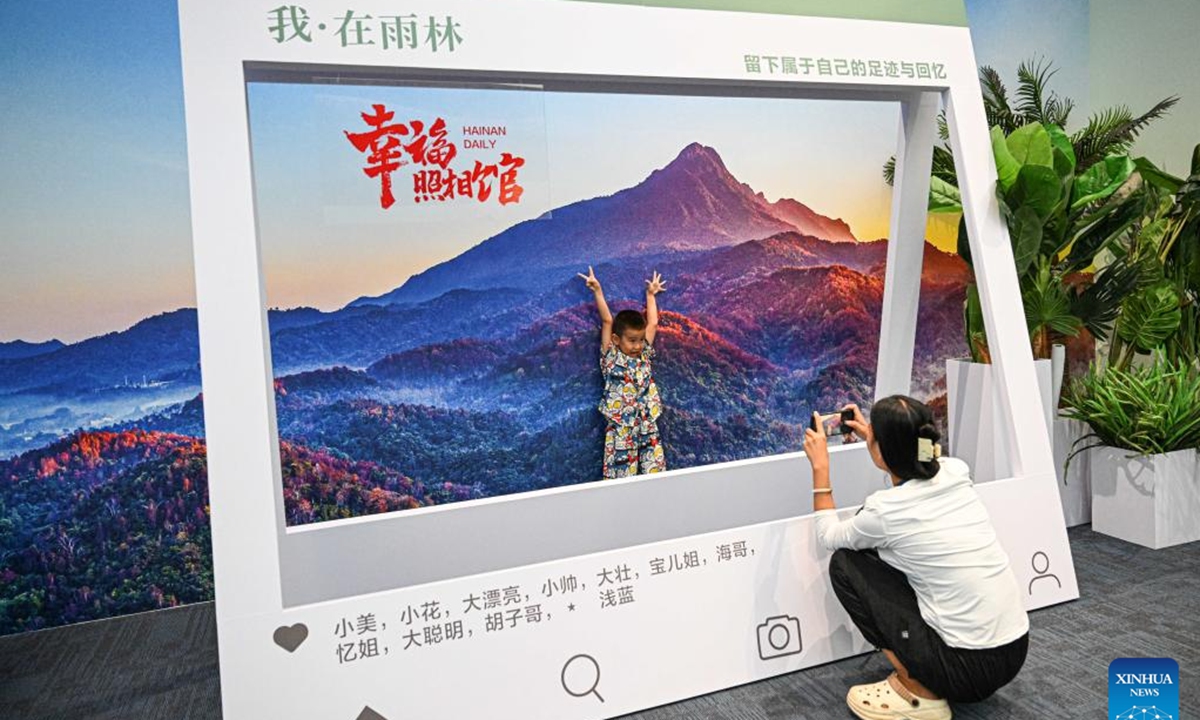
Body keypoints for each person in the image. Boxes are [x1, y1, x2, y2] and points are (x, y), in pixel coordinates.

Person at [803, 396, 1029, 720]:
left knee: (845, 564)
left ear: (883, 450)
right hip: (1016, 649)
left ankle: (917, 692)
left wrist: (820, 467)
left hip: (965, 669)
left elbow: (828, 535)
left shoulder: (885, 511)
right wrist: (876, 438)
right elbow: (919, 456)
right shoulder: (956, 470)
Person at [579, 266, 667, 479]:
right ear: (617, 340)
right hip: (621, 429)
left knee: (656, 475)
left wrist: (651, 295)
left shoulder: (644, 354)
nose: (637, 345)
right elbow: (607, 321)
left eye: (640, 340)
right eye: (632, 340)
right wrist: (597, 290)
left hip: (647, 423)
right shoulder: (611, 357)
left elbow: (653, 323)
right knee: (620, 479)